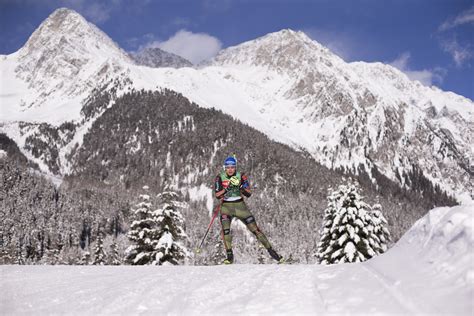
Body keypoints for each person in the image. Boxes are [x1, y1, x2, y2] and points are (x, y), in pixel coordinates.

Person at [214, 155, 284, 264]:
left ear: (235, 167)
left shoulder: (241, 176)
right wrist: (227, 189)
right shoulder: (220, 177)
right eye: (228, 167)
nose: (230, 169)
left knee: (255, 230)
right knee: (226, 231)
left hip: (240, 206)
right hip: (226, 207)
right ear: (225, 168)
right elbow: (217, 195)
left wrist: (240, 187)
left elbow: (248, 193)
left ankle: (274, 254)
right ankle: (229, 257)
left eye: (232, 167)